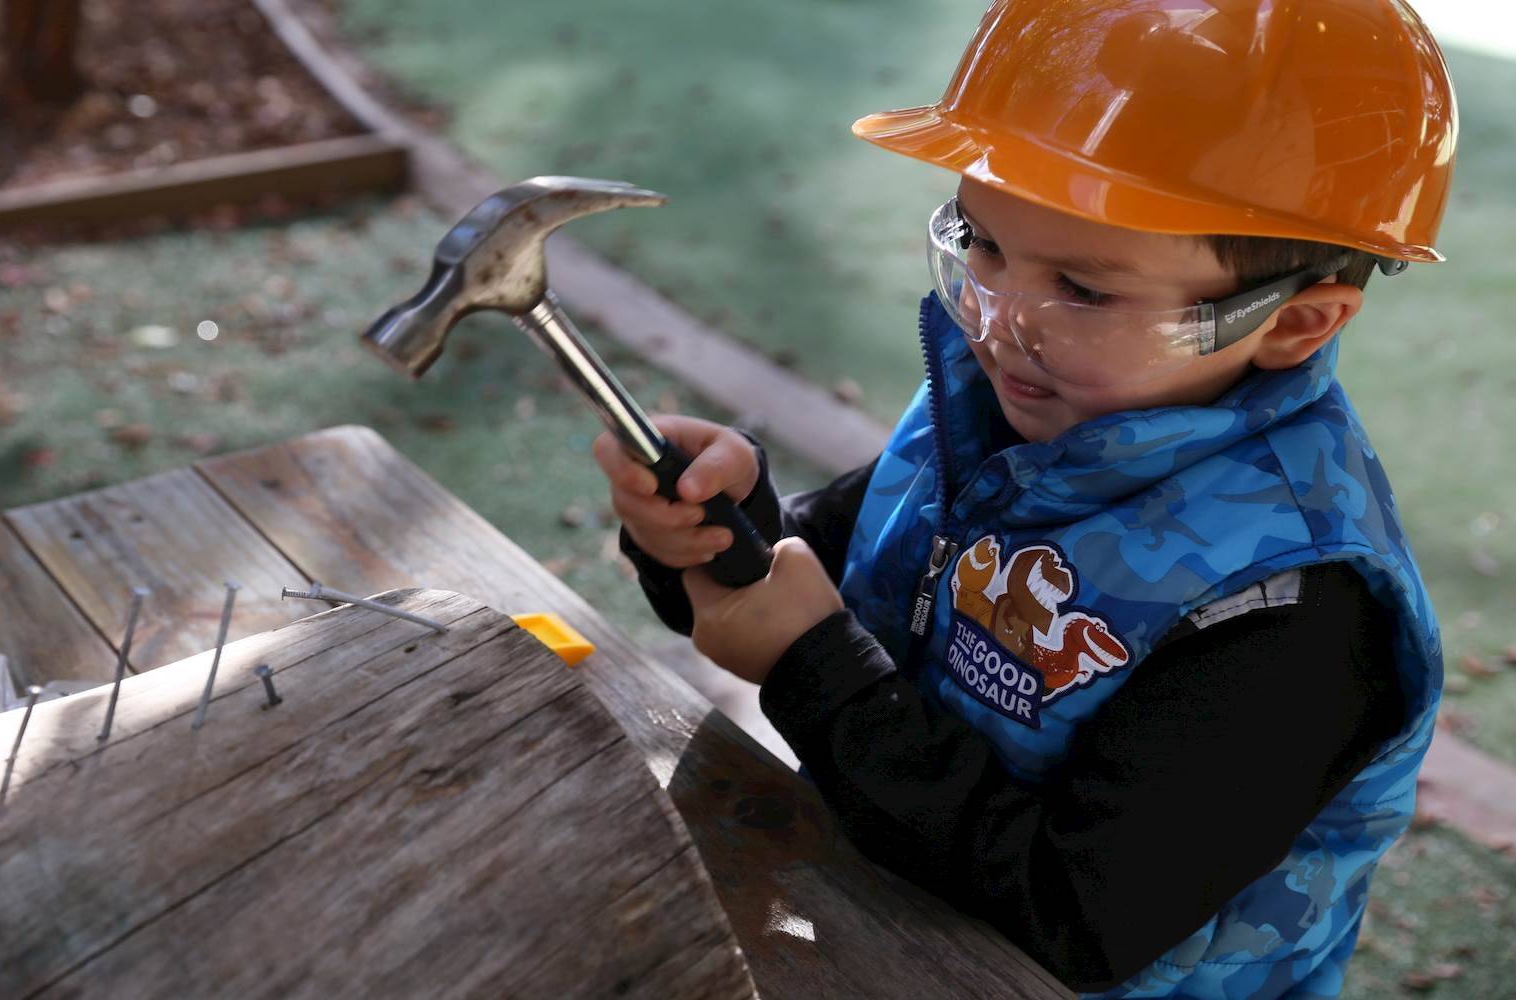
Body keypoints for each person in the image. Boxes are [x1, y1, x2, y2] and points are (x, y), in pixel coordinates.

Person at [591, 1, 1456, 995]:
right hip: (866, 908)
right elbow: (806, 578)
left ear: (1293, 321)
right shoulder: (1012, 409)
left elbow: (1070, 915)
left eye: (1083, 290)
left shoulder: (1292, 609)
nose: (995, 322)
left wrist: (811, 668)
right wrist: (715, 532)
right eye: (980, 242)